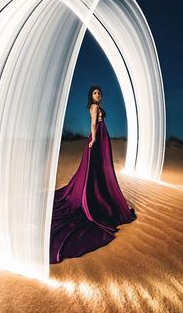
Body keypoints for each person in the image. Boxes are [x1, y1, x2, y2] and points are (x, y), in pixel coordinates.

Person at [50, 85, 137, 264]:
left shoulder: (98, 106)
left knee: (98, 170)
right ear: (91, 96)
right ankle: (90, 197)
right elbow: (93, 124)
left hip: (102, 137)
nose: (97, 95)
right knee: (93, 170)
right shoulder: (94, 107)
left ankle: (98, 194)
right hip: (98, 139)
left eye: (99, 92)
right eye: (95, 93)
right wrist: (95, 138)